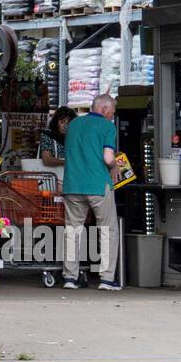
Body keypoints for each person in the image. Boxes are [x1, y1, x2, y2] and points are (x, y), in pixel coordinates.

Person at [61, 93, 121, 291]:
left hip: (72, 185)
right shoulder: (107, 126)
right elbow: (107, 157)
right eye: (112, 113)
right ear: (103, 110)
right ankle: (106, 279)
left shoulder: (73, 125)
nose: (112, 117)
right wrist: (115, 167)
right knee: (107, 230)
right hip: (98, 185)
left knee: (72, 231)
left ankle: (70, 277)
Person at [39, 106, 77, 171]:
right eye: (62, 122)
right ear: (56, 122)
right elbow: (47, 160)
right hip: (52, 177)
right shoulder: (48, 135)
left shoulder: (75, 137)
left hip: (71, 176)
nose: (65, 126)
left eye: (69, 123)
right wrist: (67, 162)